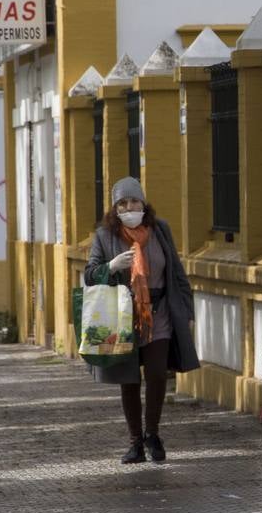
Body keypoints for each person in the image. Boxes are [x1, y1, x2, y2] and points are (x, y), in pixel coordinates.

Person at [85, 177, 199, 463]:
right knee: (129, 379)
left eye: (134, 201)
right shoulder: (105, 236)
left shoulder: (160, 230)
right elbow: (90, 274)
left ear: (143, 203)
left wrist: (187, 311)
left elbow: (176, 271)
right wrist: (110, 267)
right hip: (122, 317)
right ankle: (135, 442)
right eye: (123, 203)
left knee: (158, 374)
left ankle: (153, 433)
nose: (129, 207)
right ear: (115, 208)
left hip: (159, 313)